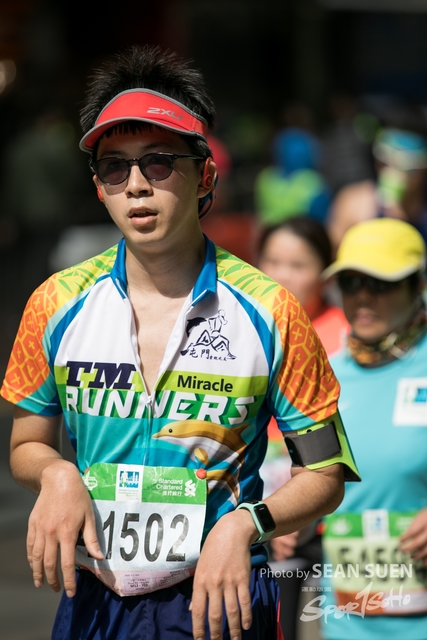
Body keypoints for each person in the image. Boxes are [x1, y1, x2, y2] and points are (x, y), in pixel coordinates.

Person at [0, 44, 359, 640]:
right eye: (115, 168)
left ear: (205, 176)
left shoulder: (271, 311)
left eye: (160, 163)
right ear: (98, 188)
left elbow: (325, 471)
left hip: (222, 597)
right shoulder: (54, 303)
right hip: (95, 599)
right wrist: (56, 475)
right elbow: (27, 444)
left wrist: (245, 524)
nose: (137, 185)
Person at [315, 218, 427, 640]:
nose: (363, 296)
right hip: (346, 623)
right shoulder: (324, 376)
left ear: (417, 285)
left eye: (380, 284)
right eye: (350, 283)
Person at [257, 216, 349, 640]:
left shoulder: (349, 335)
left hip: (338, 517)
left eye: (298, 265)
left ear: (325, 273)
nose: (282, 275)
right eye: (273, 261)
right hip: (266, 513)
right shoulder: (244, 331)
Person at [327, 124, 427, 253]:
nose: (391, 171)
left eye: (407, 167)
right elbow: (332, 253)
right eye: (384, 162)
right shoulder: (355, 204)